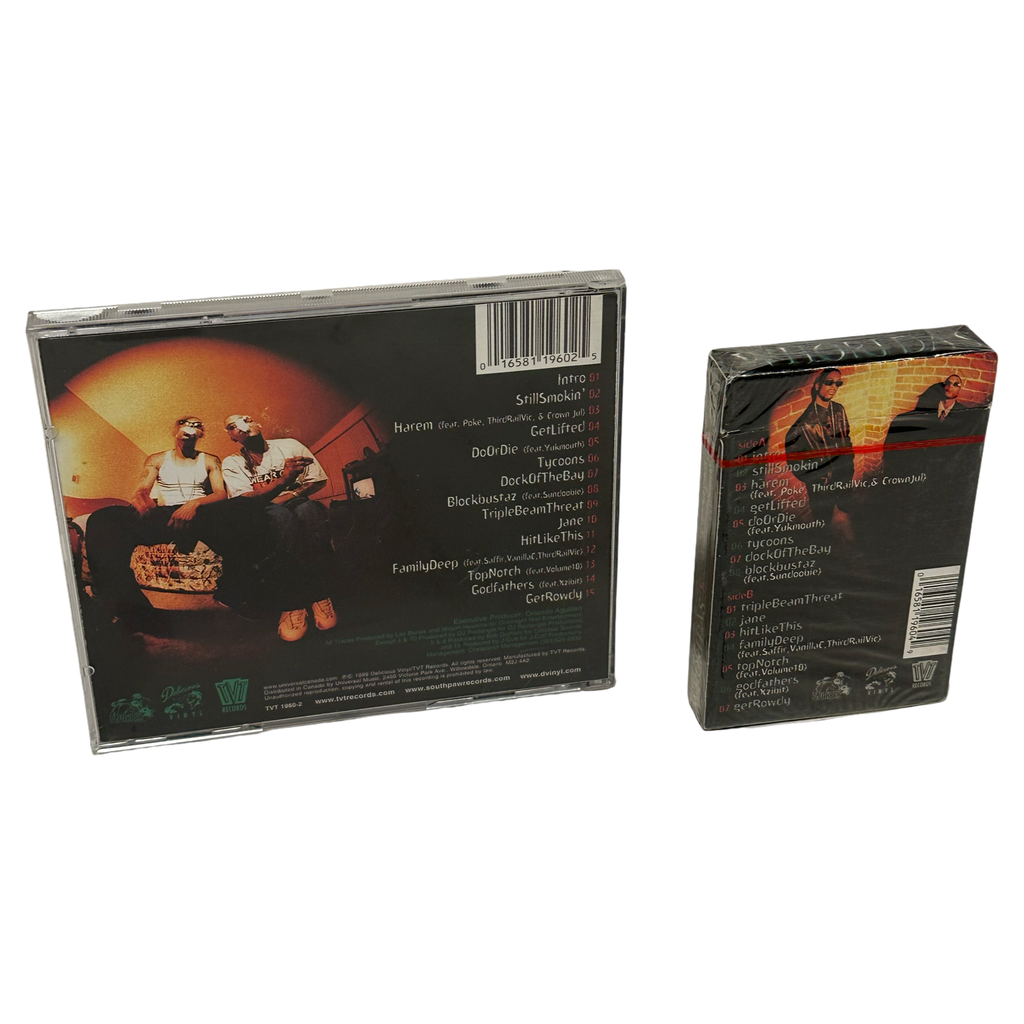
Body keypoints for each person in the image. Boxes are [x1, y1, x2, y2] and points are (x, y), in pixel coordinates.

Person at [86, 416, 262, 630]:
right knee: (103, 517)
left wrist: (193, 504)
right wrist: (142, 498)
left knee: (242, 508)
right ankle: (126, 604)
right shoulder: (157, 459)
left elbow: (220, 494)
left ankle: (234, 594)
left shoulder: (210, 460)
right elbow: (143, 487)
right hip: (166, 514)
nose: (191, 427)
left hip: (200, 513)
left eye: (197, 425)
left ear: (201, 434)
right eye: (185, 423)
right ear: (175, 430)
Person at [221, 414, 337, 641]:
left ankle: (319, 595)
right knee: (280, 519)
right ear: (232, 437)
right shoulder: (232, 463)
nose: (242, 425)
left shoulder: (290, 445)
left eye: (246, 419)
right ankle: (293, 603)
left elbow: (317, 479)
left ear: (258, 423)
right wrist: (284, 480)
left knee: (309, 511)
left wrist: (292, 493)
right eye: (232, 426)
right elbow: (245, 501)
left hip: (295, 501)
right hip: (262, 511)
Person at [785, 369, 855, 538]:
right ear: (817, 386)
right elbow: (794, 460)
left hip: (843, 475)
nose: (834, 387)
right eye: (829, 382)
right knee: (823, 521)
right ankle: (822, 545)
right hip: (822, 485)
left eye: (838, 383)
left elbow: (846, 437)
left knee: (846, 508)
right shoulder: (804, 424)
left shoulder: (838, 409)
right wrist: (816, 478)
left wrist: (849, 461)